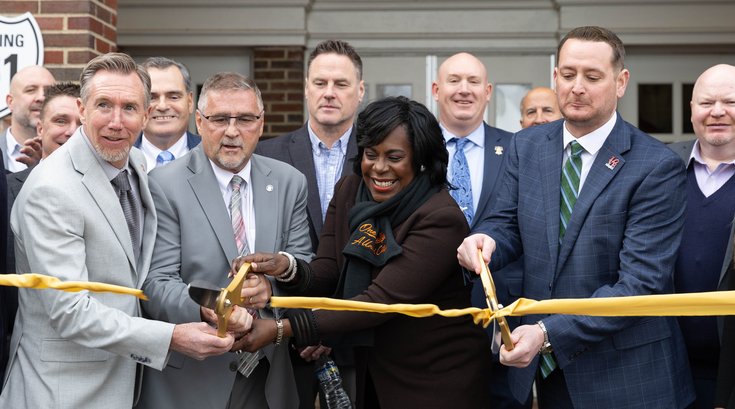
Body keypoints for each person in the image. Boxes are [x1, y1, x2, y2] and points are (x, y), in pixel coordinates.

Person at [457, 26, 695, 408]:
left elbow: (639, 285)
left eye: (592, 76)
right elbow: (505, 223)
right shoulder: (527, 145)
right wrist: (486, 241)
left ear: (621, 82)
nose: (577, 87)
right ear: (555, 77)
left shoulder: (657, 166)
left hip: (629, 378)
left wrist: (546, 332)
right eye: (568, 75)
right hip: (550, 374)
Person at [0, 53, 246, 409]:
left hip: (125, 381)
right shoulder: (50, 189)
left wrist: (205, 305)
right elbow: (70, 312)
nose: (116, 122)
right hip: (61, 391)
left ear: (146, 115)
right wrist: (172, 337)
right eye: (104, 105)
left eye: (129, 107)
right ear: (82, 110)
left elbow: (136, 274)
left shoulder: (135, 163)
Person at [236, 96, 493, 409]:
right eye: (371, 154)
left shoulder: (440, 217)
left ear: (420, 159)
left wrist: (280, 330)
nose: (379, 168)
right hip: (373, 368)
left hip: (436, 376)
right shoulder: (350, 189)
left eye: (395, 157)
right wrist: (286, 266)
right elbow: (328, 271)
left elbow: (377, 303)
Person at [138, 71, 311, 409]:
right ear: (199, 123)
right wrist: (210, 309)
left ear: (261, 124)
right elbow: (155, 283)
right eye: (220, 119)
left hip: (268, 375)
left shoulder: (290, 182)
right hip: (191, 378)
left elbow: (305, 266)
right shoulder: (163, 184)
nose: (232, 131)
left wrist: (271, 290)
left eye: (245, 119)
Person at [255, 39, 363, 408]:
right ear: (305, 88)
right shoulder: (266, 156)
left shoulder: (379, 160)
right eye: (320, 83)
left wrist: (333, 325)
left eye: (341, 84)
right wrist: (300, 324)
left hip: (357, 336)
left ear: (360, 91)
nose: (329, 93)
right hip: (283, 337)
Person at [432, 52, 522, 408]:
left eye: (473, 82)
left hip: (504, 315)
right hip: (431, 311)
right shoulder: (412, 152)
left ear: (488, 92)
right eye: (454, 81)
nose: (463, 90)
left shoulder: (519, 149)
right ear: (437, 90)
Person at [666, 64, 735, 409]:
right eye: (707, 102)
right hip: (665, 368)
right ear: (691, 109)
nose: (718, 112)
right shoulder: (659, 166)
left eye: (731, 102)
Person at [3, 82, 82, 374]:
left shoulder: (118, 193)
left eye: (80, 123)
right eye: (61, 121)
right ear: (40, 128)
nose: (71, 131)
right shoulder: (9, 191)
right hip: (20, 360)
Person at [134, 57, 201, 170]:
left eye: (173, 97)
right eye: (151, 98)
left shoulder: (212, 154)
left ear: (190, 102)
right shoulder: (121, 156)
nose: (162, 106)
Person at [2, 65, 55, 172]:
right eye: (31, 90)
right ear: (10, 102)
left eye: (48, 91)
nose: (41, 97)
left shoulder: (70, 152)